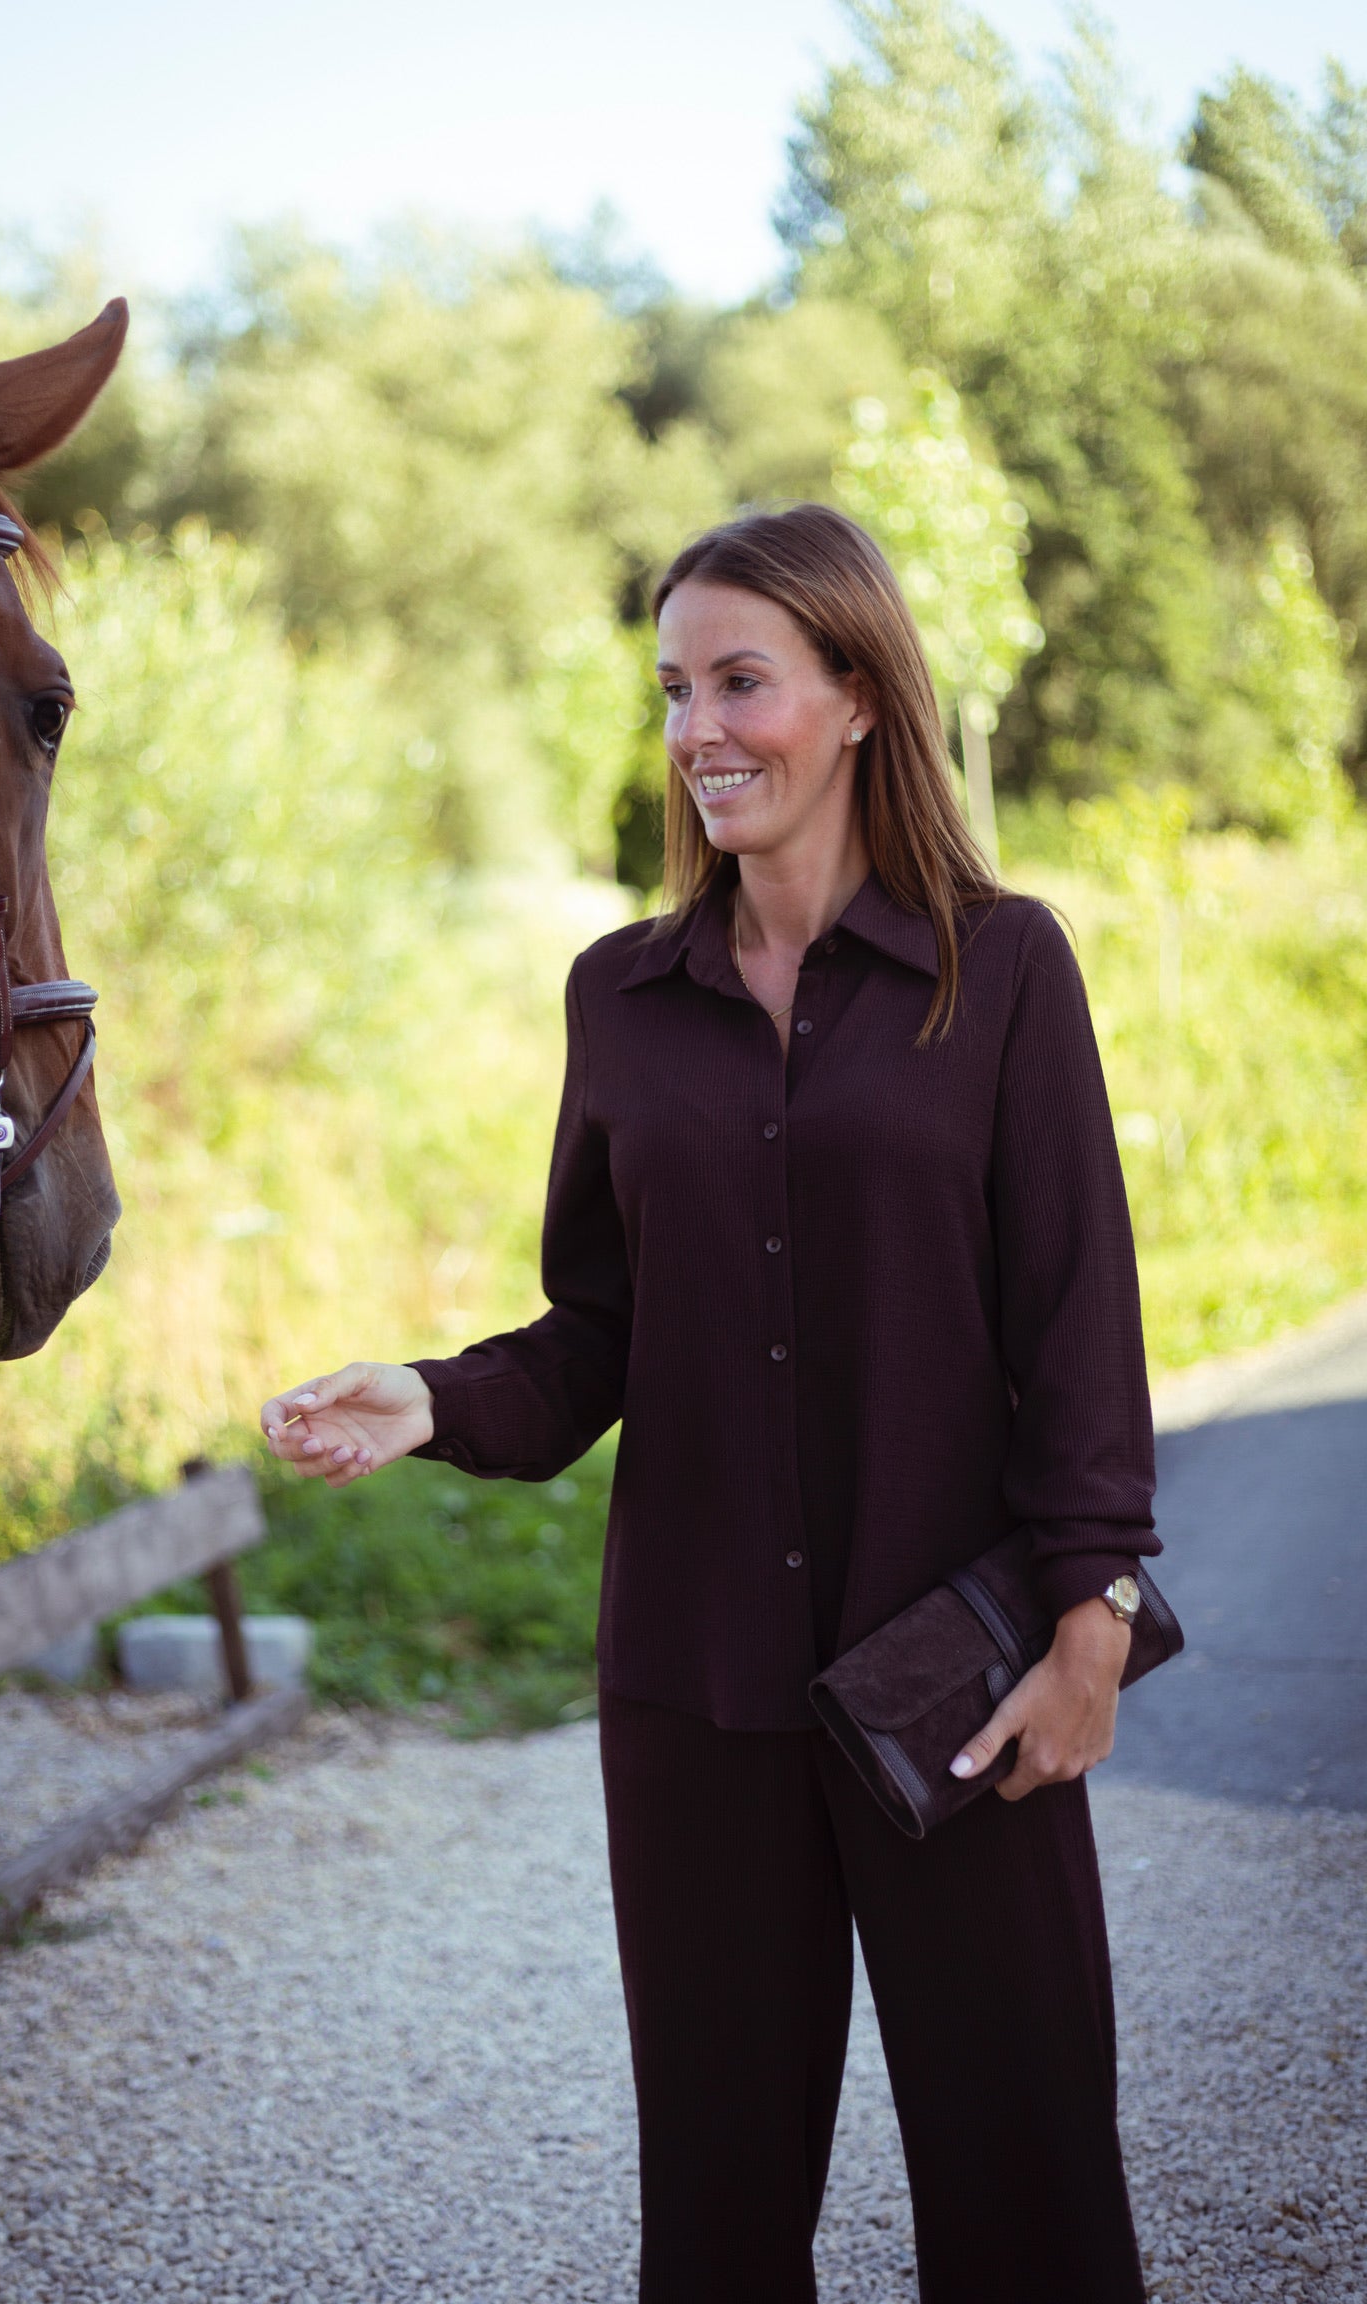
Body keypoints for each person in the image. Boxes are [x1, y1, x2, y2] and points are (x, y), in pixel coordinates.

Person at [261, 503, 1158, 2304]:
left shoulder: (1003, 969)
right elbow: (603, 1327)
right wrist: (432, 1400)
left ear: (860, 696)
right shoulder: (623, 996)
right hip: (695, 1693)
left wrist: (1097, 1619)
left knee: (1032, 2195)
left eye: (742, 681)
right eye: (675, 689)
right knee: (720, 2223)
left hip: (957, 1680)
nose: (699, 730)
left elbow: (1078, 1318)